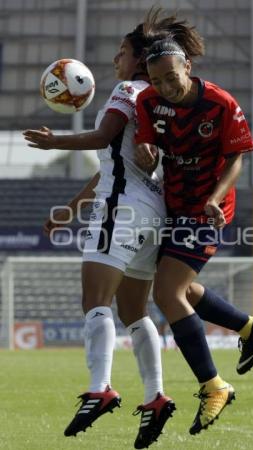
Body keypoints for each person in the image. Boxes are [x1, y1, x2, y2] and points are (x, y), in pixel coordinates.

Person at [24, 22, 177, 449]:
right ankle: (156, 397)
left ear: (140, 59)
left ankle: (100, 386)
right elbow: (113, 158)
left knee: (95, 302)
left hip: (122, 206)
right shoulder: (160, 100)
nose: (115, 60)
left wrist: (56, 143)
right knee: (135, 312)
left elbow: (103, 137)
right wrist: (71, 207)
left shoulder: (128, 91)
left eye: (121, 52)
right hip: (153, 212)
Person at [134, 11, 253, 435]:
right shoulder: (147, 102)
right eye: (156, 81)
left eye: (171, 78)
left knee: (167, 291)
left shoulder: (221, 103)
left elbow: (236, 160)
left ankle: (214, 386)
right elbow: (146, 143)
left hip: (210, 209)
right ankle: (251, 327)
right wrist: (146, 152)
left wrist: (214, 198)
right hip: (173, 206)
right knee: (182, 289)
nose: (165, 88)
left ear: (187, 68)